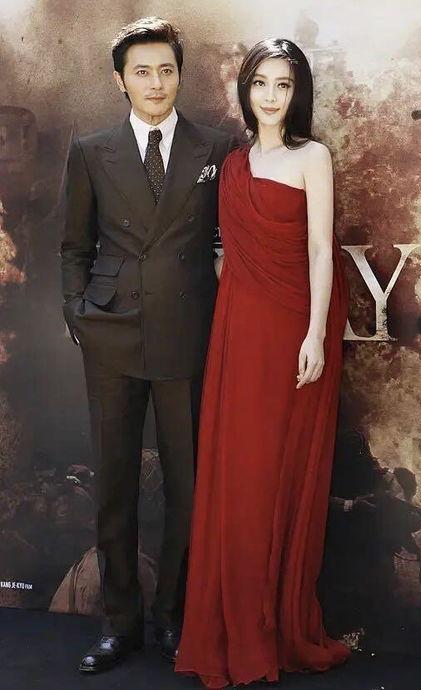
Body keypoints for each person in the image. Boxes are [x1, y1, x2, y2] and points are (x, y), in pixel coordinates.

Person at [60, 16, 235, 674]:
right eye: (142, 71)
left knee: (187, 486)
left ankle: (173, 617)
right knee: (115, 483)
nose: (156, 82)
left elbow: (227, 238)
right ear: (120, 80)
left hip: (187, 333)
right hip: (111, 333)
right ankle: (120, 622)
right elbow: (73, 246)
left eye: (166, 70)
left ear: (179, 75)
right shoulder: (91, 150)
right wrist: (78, 314)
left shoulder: (217, 146)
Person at [175, 38, 351, 688]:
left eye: (283, 84)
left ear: (297, 92)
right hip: (238, 330)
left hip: (291, 329)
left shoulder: (312, 157)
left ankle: (274, 627)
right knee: (237, 474)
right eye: (260, 83)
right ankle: (230, 627)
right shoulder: (232, 164)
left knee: (275, 473)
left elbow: (320, 252)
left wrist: (315, 335)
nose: (271, 96)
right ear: (245, 89)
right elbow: (225, 257)